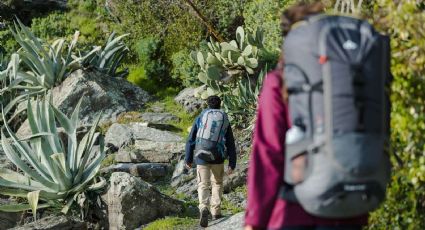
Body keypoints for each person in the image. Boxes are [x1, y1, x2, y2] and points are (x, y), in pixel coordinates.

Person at [244, 2, 368, 230]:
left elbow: (269, 153)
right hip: (347, 213)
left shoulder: (280, 82)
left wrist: (255, 220)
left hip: (294, 214)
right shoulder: (351, 80)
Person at [185, 95, 237, 228]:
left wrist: (188, 158)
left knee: (203, 184)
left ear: (207, 105)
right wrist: (232, 163)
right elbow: (230, 143)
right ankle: (216, 211)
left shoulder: (202, 116)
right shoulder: (224, 118)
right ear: (220, 105)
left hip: (201, 156)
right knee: (217, 183)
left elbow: (191, 139)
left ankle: (203, 207)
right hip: (218, 157)